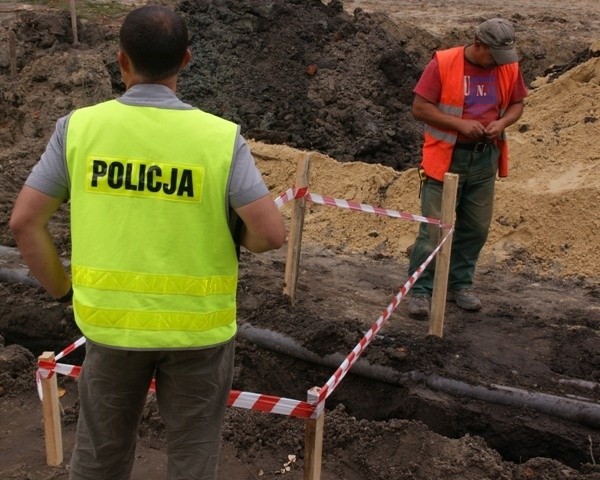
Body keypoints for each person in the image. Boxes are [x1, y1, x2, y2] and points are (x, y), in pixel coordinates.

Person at [9, 5, 286, 479]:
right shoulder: (218, 138)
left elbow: (24, 224)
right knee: (191, 462)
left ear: (121, 61)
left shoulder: (79, 129)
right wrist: (232, 232)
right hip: (198, 333)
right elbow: (270, 233)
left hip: (112, 328)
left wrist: (64, 290)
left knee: (100, 458)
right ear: (186, 60)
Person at [407, 18, 528, 318]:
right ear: (478, 45)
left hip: (484, 158)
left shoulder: (508, 65)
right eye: (494, 56)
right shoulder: (444, 63)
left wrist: (501, 123)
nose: (499, 64)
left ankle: (458, 284)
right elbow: (420, 108)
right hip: (446, 158)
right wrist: (460, 124)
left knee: (476, 228)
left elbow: (517, 104)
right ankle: (420, 289)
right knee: (434, 230)